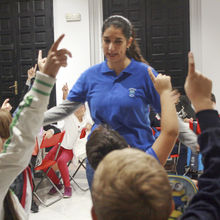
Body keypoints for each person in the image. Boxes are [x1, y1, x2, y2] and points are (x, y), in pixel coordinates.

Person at [91, 52, 220, 220]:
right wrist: (202, 103)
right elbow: (215, 186)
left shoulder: (96, 167)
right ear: (171, 207)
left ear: (94, 215)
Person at [43, 15, 162, 186]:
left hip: (137, 159)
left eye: (118, 41)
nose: (111, 47)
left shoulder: (145, 74)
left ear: (129, 42)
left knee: (136, 211)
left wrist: (193, 140)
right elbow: (64, 109)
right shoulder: (91, 76)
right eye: (106, 41)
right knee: (104, 212)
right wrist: (28, 120)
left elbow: (167, 117)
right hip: (99, 161)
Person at [0, 34, 71, 220]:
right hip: (29, 156)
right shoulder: (9, 163)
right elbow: (25, 121)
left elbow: (28, 118)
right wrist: (44, 78)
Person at [41, 84, 92, 198]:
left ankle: (67, 187)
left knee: (61, 161)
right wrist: (65, 92)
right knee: (44, 164)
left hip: (70, 149)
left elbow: (92, 123)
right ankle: (57, 184)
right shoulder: (70, 116)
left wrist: (89, 126)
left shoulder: (86, 120)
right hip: (61, 145)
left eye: (82, 106)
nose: (81, 108)